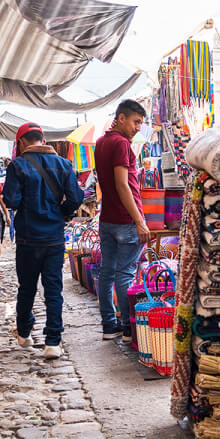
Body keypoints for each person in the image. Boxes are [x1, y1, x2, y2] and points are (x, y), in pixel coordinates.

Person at [4, 123, 84, 359]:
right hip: (54, 238)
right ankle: (52, 342)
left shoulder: (18, 166)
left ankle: (25, 333)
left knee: (27, 288)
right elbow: (76, 198)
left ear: (20, 143)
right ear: (43, 139)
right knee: (53, 289)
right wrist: (61, 213)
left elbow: (11, 200)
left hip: (29, 239)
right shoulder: (63, 164)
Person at [94, 99, 149, 341]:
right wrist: (139, 221)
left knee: (107, 272)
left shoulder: (101, 143)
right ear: (121, 118)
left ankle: (109, 324)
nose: (138, 127)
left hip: (107, 218)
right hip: (126, 220)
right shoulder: (121, 144)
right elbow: (122, 185)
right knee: (125, 274)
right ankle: (128, 327)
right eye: (136, 122)